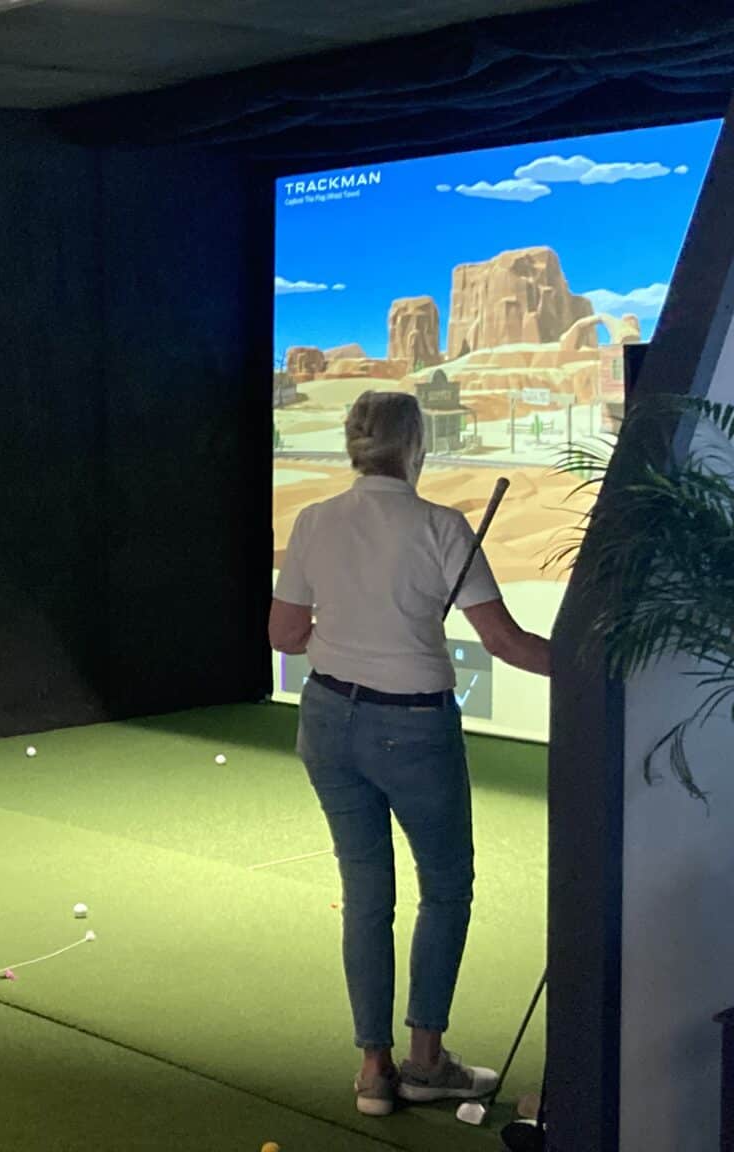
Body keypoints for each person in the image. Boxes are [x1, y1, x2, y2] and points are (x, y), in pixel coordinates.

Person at [269, 390, 550, 1118]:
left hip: (328, 721)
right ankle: (426, 1063)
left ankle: (374, 1071)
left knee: (366, 892)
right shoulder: (442, 526)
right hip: (415, 728)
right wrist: (596, 669)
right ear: (416, 445)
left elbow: (285, 636)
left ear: (353, 444)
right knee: (445, 887)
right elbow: (506, 643)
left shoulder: (313, 520)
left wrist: (349, 635)